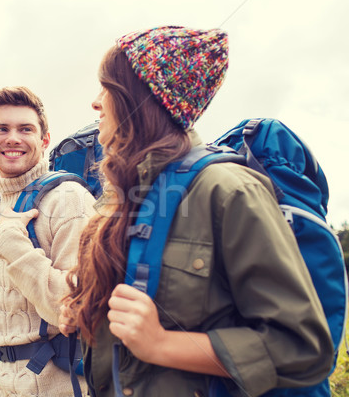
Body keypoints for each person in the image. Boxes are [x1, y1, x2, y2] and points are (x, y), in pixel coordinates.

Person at [58, 26, 334, 396]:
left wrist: (162, 344)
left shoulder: (229, 190)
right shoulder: (123, 196)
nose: (96, 102)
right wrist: (83, 312)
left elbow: (303, 348)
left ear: (142, 100)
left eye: (107, 88)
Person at [0, 86, 95, 396]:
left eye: (25, 129)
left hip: (57, 387)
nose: (12, 138)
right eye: (2, 129)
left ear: (44, 140)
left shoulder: (69, 200)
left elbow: (72, 309)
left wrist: (13, 247)